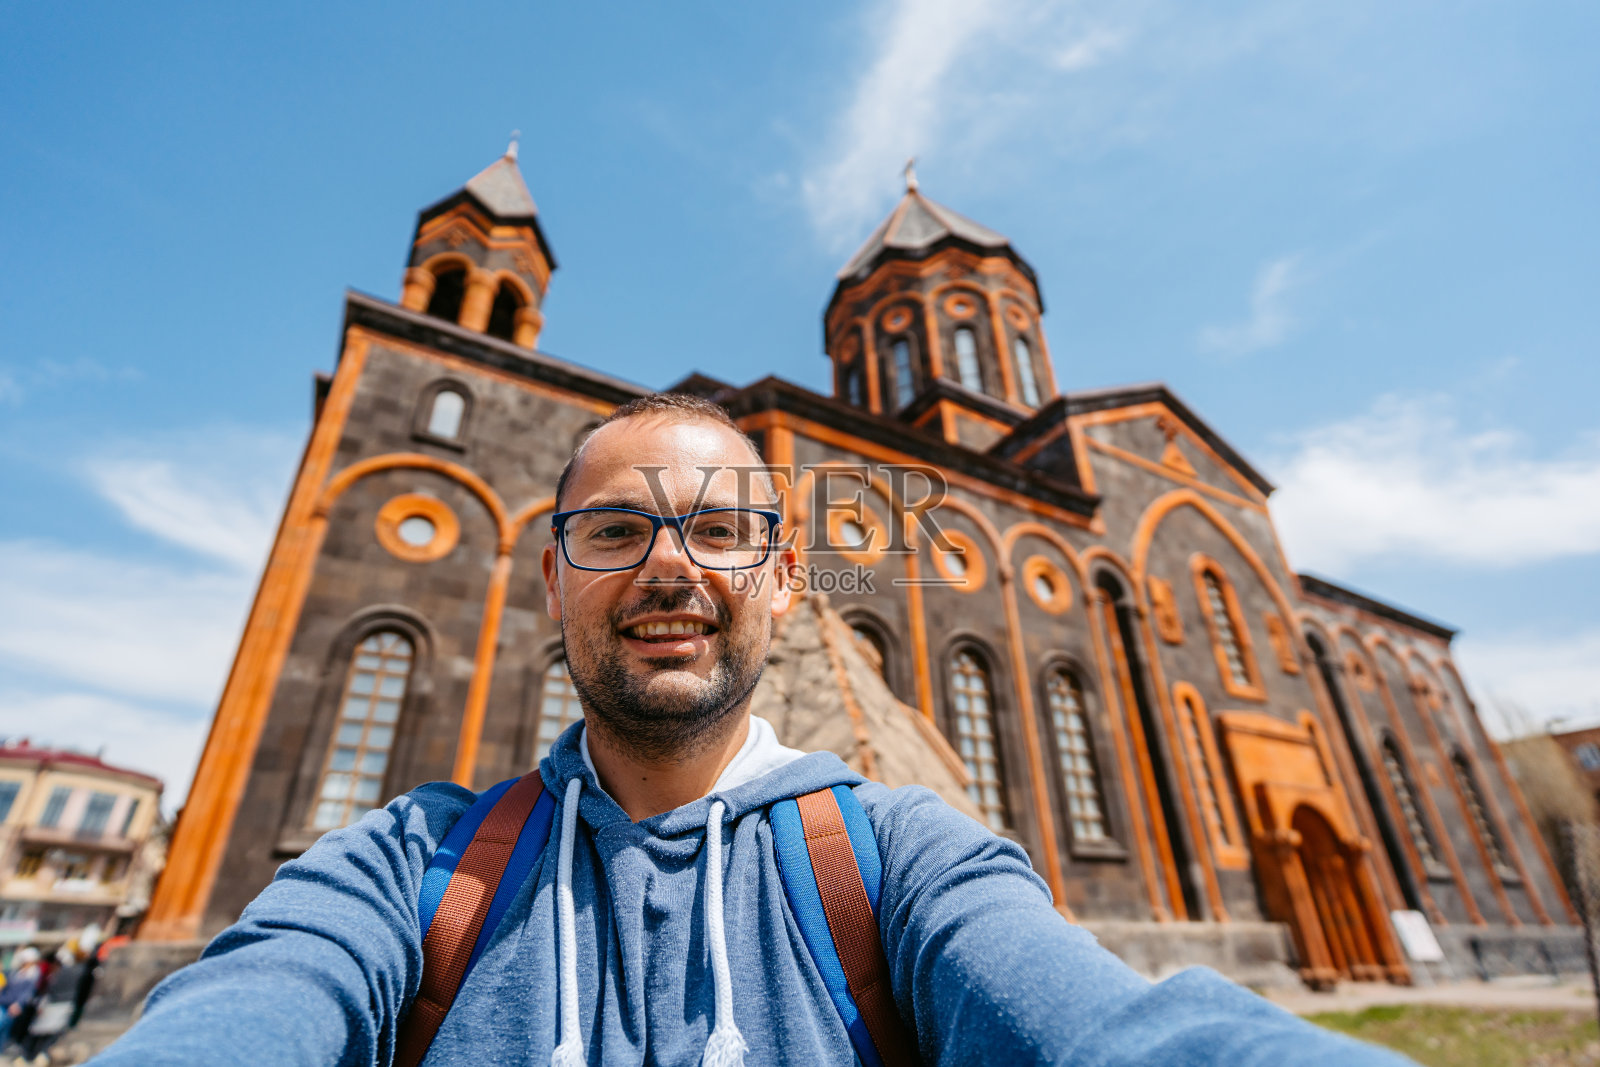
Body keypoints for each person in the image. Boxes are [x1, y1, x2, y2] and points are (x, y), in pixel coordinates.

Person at [91, 394, 1411, 1065]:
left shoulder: (901, 860)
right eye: (616, 530)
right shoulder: (410, 865)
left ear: (785, 582)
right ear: (548, 577)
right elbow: (254, 1001)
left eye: (720, 530)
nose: (671, 568)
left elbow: (1121, 1033)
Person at [0, 949, 42, 1054]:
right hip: (4, 1001)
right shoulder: (15, 972)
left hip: (13, 1006)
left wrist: (18, 1004)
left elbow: (27, 992)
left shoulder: (33, 975)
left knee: (5, 1028)